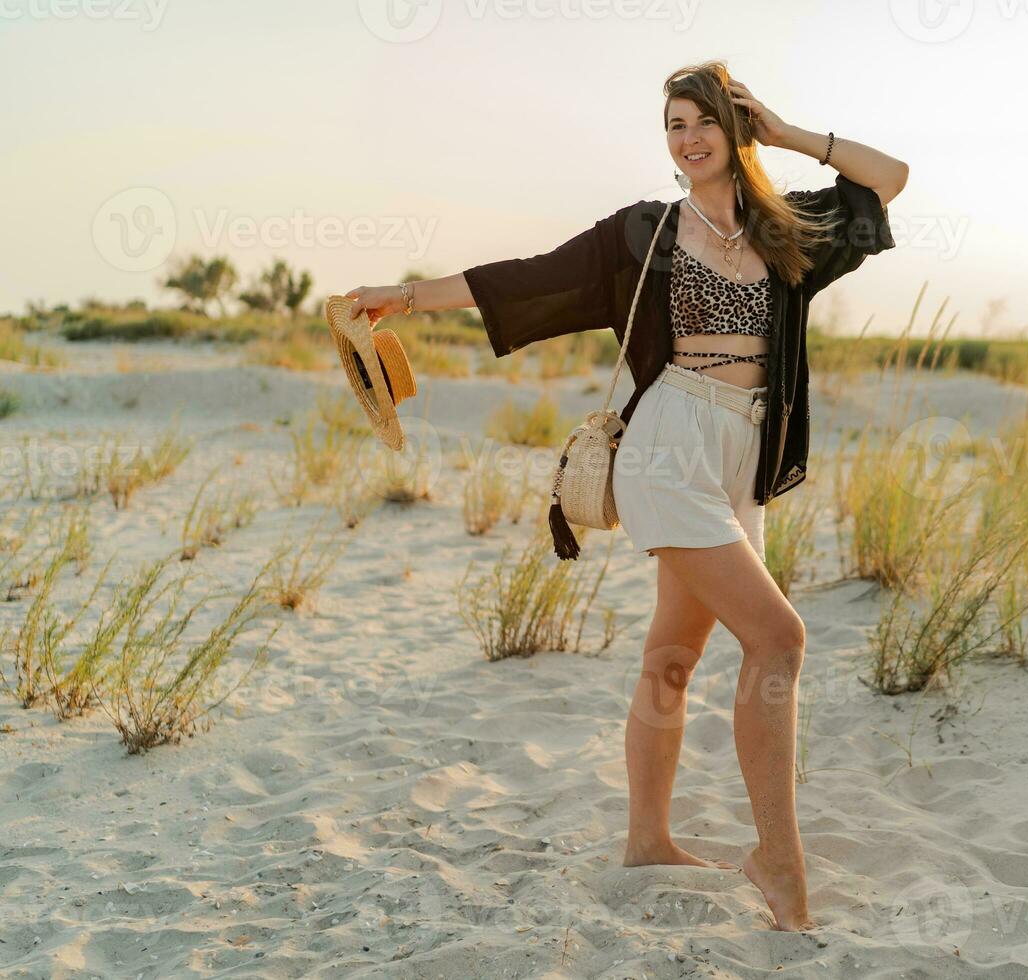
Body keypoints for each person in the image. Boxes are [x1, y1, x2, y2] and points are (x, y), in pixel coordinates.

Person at [346, 60, 907, 932]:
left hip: (741, 451)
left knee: (671, 658)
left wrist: (788, 131)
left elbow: (889, 179)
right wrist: (407, 297)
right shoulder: (645, 232)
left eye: (702, 122)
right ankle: (780, 862)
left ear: (736, 126)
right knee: (780, 639)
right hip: (669, 446)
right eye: (674, 126)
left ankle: (646, 839)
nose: (686, 140)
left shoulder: (786, 228)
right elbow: (528, 277)